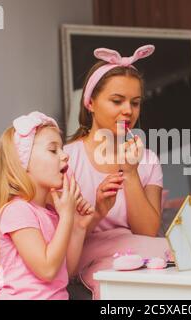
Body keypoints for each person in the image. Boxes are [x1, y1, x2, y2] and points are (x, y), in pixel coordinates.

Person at [63, 45, 170, 299]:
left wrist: (130, 173)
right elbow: (62, 234)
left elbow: (147, 231)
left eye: (135, 103)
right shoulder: (66, 158)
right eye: (116, 101)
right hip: (84, 253)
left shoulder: (147, 161)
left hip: (137, 248)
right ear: (90, 103)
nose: (128, 111)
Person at [0, 111, 93, 299]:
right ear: (22, 162)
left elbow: (65, 270)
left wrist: (79, 226)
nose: (65, 156)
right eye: (53, 150)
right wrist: (66, 217)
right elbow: (47, 269)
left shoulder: (50, 213)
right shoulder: (17, 211)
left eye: (62, 149)